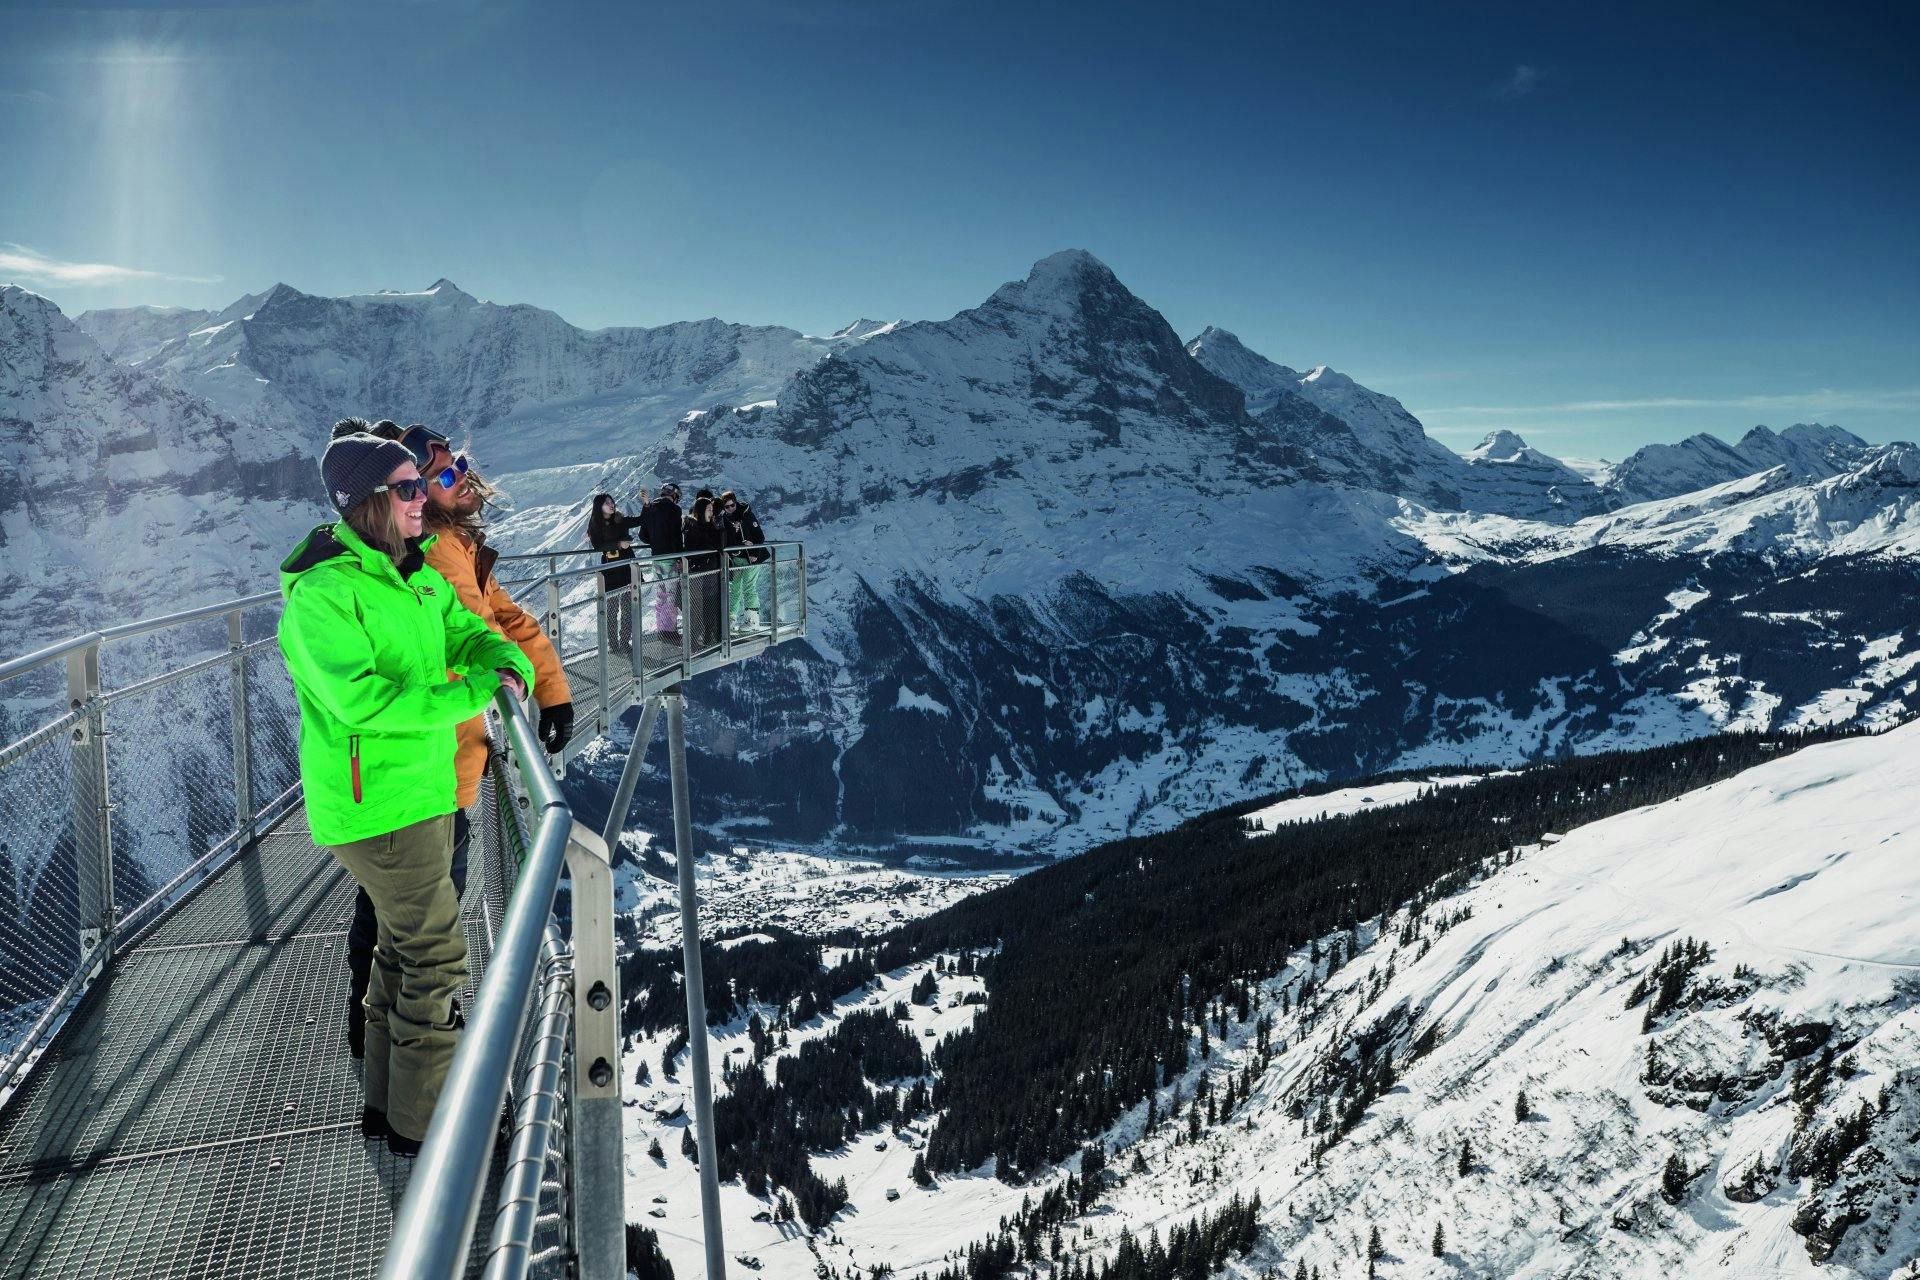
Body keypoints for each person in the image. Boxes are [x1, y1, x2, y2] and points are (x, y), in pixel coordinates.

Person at [279, 430, 536, 1157]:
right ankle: (430, 1129)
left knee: (401, 950)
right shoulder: (326, 593)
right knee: (434, 956)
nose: (424, 497)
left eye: (421, 485)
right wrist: (472, 692)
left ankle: (390, 1107)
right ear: (365, 502)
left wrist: (501, 661)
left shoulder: (412, 574)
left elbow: (469, 633)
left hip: (419, 792)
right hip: (378, 806)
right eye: (408, 488)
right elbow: (362, 701)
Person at [587, 491, 647, 652]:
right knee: (612, 610)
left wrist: (646, 504)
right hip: (610, 569)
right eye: (607, 502)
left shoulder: (619, 519)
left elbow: (640, 520)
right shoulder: (595, 523)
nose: (611, 504)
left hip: (627, 567)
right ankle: (613, 644)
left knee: (628, 608)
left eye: (611, 501)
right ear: (599, 505)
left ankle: (624, 642)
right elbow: (598, 546)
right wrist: (619, 545)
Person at [638, 481, 685, 640]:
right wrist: (680, 557)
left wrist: (655, 539)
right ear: (675, 496)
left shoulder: (650, 507)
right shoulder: (675, 510)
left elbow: (642, 536)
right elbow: (676, 536)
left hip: (656, 558)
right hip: (670, 558)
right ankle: (670, 632)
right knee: (671, 596)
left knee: (661, 595)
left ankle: (661, 629)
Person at [717, 489, 769, 631]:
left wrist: (754, 552)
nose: (730, 509)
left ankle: (752, 621)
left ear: (736, 502)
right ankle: (731, 619)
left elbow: (760, 537)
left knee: (749, 587)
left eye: (732, 505)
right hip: (736, 560)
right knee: (734, 589)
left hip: (752, 558)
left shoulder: (746, 514)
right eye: (726, 507)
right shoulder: (724, 519)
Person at [683, 489, 725, 650]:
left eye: (712, 509)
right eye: (709, 509)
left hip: (711, 572)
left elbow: (720, 545)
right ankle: (695, 641)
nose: (711, 512)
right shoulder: (693, 527)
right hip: (699, 572)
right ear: (701, 511)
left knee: (710, 605)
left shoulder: (710, 526)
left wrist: (717, 525)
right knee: (697, 608)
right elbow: (707, 545)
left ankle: (709, 636)